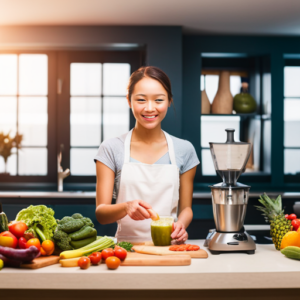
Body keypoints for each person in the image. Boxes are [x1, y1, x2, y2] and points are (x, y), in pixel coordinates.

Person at [94, 66, 199, 244]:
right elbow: (101, 214)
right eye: (141, 100)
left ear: (169, 101)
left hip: (170, 246)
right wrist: (127, 207)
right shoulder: (111, 148)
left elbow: (186, 208)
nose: (150, 108)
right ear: (129, 101)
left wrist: (181, 224)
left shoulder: (184, 150)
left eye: (159, 100)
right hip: (126, 249)